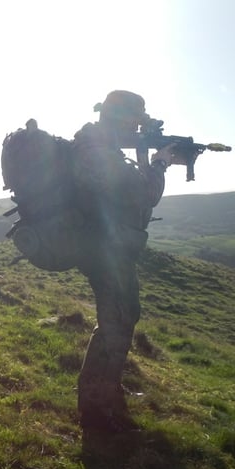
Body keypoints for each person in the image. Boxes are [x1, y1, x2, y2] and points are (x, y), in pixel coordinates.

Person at [70, 90, 188, 433]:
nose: (137, 129)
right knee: (117, 322)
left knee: (121, 318)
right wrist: (159, 163)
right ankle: (96, 415)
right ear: (120, 120)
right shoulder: (96, 151)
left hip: (107, 246)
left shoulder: (97, 145)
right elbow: (143, 193)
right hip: (103, 249)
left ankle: (105, 393)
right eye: (135, 122)